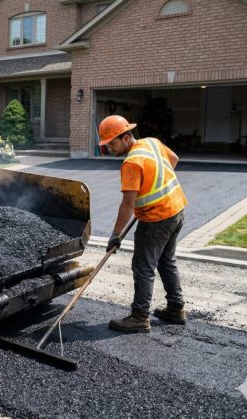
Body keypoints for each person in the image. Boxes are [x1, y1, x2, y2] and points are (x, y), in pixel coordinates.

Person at [98, 115, 189, 333]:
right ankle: (176, 309)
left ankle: (139, 317)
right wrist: (156, 186)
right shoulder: (152, 142)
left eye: (112, 143)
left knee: (143, 267)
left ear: (127, 137)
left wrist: (116, 235)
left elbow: (127, 204)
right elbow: (174, 159)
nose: (109, 148)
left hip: (156, 219)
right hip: (176, 209)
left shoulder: (131, 162)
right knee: (166, 261)